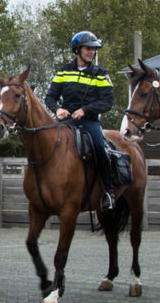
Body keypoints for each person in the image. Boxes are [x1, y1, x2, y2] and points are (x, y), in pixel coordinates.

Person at [44, 30, 116, 210]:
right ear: (77, 50)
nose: (92, 52)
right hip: (65, 121)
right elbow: (50, 98)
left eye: (94, 49)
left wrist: (85, 110)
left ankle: (108, 192)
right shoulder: (63, 71)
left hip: (89, 122)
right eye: (88, 48)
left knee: (100, 148)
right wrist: (57, 109)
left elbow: (108, 102)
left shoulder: (101, 73)